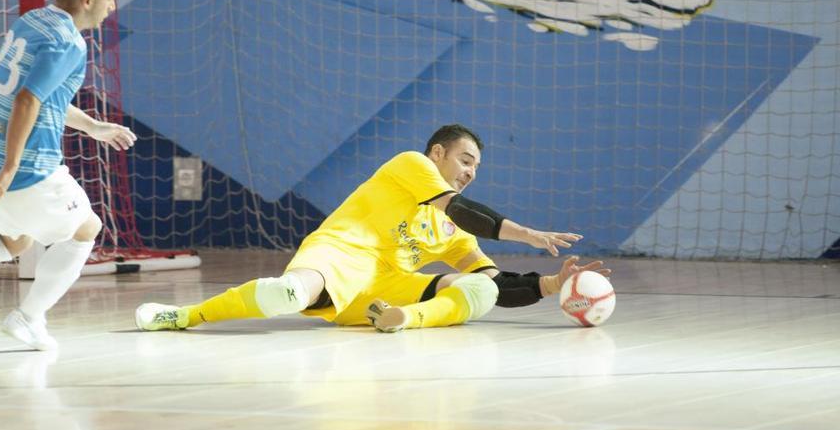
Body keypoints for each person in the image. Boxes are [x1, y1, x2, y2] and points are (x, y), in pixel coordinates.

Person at [136, 124, 609, 333]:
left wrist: (551, 284)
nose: (470, 171)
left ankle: (402, 321)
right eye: (465, 160)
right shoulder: (411, 165)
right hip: (341, 256)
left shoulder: (453, 232)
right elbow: (462, 210)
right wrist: (529, 235)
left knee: (480, 292)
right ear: (438, 154)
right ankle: (184, 316)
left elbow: (496, 284)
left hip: (387, 292)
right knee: (286, 296)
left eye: (477, 167)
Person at [0, 0, 135, 350]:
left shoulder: (32, 22)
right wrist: (11, 167)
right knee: (86, 229)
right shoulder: (68, 42)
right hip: (28, 171)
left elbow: (43, 96)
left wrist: (94, 127)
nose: (112, 7)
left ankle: (28, 317)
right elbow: (27, 100)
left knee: (12, 242)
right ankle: (27, 318)